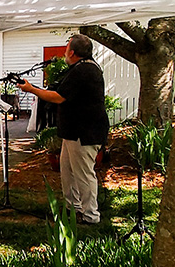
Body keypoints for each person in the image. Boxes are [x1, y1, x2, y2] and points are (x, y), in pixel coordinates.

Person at [18, 33, 108, 225]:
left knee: (83, 174)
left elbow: (59, 97)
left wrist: (31, 89)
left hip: (85, 133)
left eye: (67, 49)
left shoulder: (84, 70)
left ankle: (91, 216)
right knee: (67, 171)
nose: (65, 53)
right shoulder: (81, 68)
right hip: (73, 132)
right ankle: (73, 208)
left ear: (73, 52)